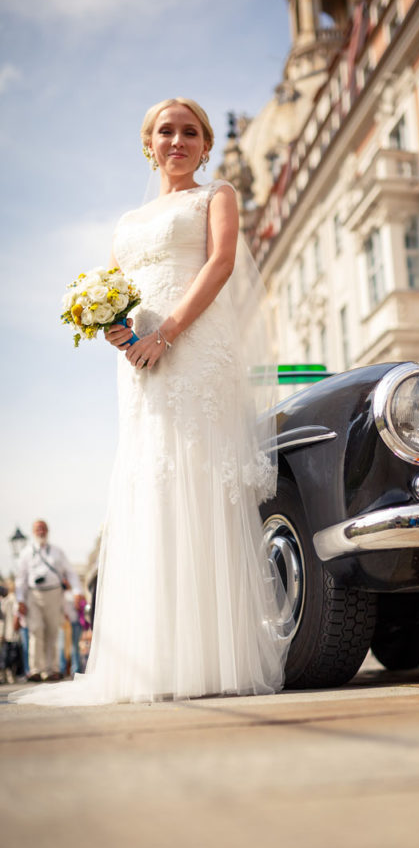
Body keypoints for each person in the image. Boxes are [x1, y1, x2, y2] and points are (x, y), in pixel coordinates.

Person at [13, 98, 291, 706]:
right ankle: (157, 659)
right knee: (152, 481)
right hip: (140, 363)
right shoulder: (126, 223)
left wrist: (166, 334)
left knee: (197, 477)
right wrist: (115, 329)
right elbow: (108, 289)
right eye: (167, 130)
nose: (178, 140)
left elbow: (219, 264)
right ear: (148, 142)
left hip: (193, 349)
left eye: (190, 131)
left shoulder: (215, 195)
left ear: (205, 144)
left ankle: (215, 655)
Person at [14, 519, 82, 682]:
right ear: (33, 532)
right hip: (34, 595)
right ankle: (36, 669)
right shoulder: (26, 553)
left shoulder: (57, 552)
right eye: (38, 529)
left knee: (52, 631)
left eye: (43, 528)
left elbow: (70, 572)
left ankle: (52, 669)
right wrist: (20, 600)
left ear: (47, 531)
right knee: (36, 630)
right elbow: (21, 578)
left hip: (54, 594)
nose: (41, 531)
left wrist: (77, 591)